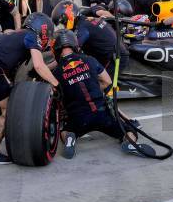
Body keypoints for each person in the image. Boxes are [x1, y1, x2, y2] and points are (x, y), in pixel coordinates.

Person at [0, 12, 59, 165]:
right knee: (10, 107)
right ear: (43, 30)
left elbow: (34, 71)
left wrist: (56, 64)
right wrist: (56, 84)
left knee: (5, 96)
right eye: (48, 35)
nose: (48, 39)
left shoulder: (18, 34)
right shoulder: (32, 36)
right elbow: (38, 65)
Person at [52, 29, 152, 159]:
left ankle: (70, 138)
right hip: (101, 113)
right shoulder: (90, 60)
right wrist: (92, 84)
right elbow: (107, 81)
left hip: (78, 117)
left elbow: (56, 96)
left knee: (65, 130)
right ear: (75, 45)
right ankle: (131, 143)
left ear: (56, 48)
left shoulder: (55, 72)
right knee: (129, 130)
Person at [51, 0, 129, 80]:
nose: (62, 28)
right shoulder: (83, 19)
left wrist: (49, 68)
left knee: (98, 84)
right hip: (109, 53)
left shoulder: (82, 29)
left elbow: (68, 54)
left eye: (62, 24)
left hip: (115, 58)